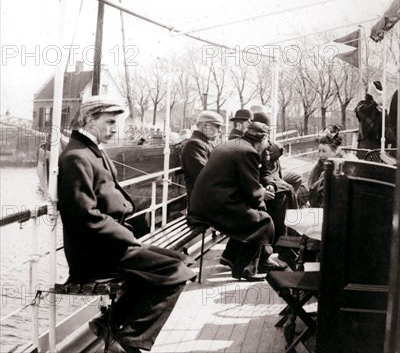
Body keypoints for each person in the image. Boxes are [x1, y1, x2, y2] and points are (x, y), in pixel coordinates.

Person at [58, 95, 195, 353]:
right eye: (109, 122)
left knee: (184, 261)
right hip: (95, 254)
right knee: (177, 273)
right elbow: (83, 217)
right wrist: (128, 237)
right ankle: (129, 341)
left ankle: (109, 322)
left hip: (111, 245)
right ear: (88, 119)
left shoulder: (90, 151)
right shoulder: (76, 157)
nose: (114, 128)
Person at [189, 122, 283, 281]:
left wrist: (259, 199)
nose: (268, 146)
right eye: (267, 141)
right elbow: (252, 191)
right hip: (215, 207)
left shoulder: (232, 144)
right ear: (263, 138)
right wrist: (263, 200)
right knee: (264, 222)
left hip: (204, 203)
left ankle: (231, 257)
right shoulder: (249, 152)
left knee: (252, 216)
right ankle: (244, 268)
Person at [180, 110, 223, 208]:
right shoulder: (194, 144)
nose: (220, 130)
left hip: (208, 199)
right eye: (217, 126)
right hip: (203, 204)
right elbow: (205, 176)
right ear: (204, 126)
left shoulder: (205, 143)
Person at [355, 81, 395, 150]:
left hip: (379, 144)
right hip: (366, 143)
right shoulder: (363, 105)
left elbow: (387, 128)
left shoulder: (383, 111)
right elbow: (361, 111)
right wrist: (375, 103)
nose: (380, 97)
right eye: (378, 94)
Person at [308, 134, 345, 207]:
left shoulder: (341, 166)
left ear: (335, 152)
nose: (320, 155)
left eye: (324, 151)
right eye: (319, 151)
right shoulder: (319, 166)